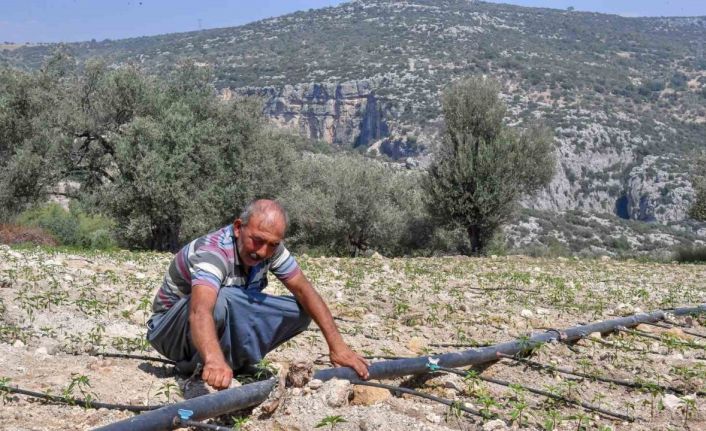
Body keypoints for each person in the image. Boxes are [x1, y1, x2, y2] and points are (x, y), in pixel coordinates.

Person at [146, 199, 369, 390]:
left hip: (217, 318)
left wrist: (338, 346)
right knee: (223, 300)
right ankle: (199, 364)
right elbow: (200, 310)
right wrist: (214, 359)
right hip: (170, 330)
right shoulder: (213, 252)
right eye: (257, 240)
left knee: (300, 310)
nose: (262, 251)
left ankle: (235, 363)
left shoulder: (271, 250)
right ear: (237, 228)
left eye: (272, 245)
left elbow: (304, 290)